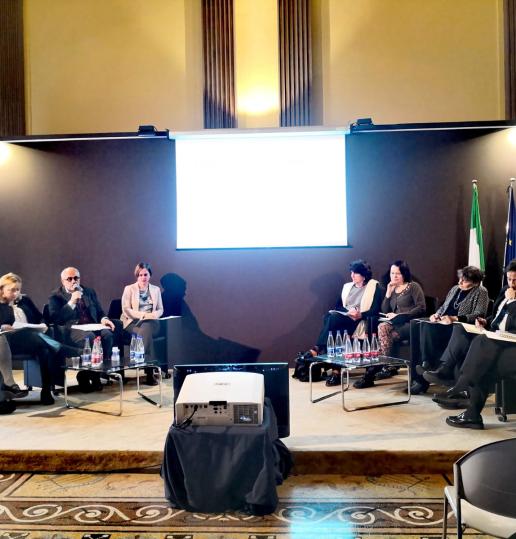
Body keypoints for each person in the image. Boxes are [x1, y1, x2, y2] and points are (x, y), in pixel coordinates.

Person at [436, 260, 516, 429]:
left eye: (515, 280)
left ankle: (461, 387)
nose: (512, 283)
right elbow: (497, 317)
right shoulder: (505, 290)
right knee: (481, 358)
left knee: (482, 345)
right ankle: (471, 414)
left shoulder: (511, 295)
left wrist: (513, 302)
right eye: (509, 279)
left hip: (512, 344)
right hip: (498, 340)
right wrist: (485, 322)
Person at [409, 266, 488, 394]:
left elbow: (479, 314)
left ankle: (432, 371)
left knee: (441, 328)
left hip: (460, 326)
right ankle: (426, 365)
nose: (460, 282)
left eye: (464, 280)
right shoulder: (455, 289)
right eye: (460, 278)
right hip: (444, 322)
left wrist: (455, 318)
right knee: (421, 324)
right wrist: (436, 315)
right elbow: (444, 306)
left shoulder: (481, 292)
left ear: (475, 283)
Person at [308, 259, 383, 387]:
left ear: (364, 275)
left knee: (331, 320)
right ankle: (335, 372)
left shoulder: (374, 287)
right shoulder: (347, 287)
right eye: (351, 272)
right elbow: (338, 306)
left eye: (355, 273)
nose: (352, 275)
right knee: (331, 320)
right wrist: (348, 311)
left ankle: (319, 350)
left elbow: (376, 309)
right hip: (346, 317)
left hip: (360, 320)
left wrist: (360, 314)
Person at [354, 260, 425, 389]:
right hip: (395, 323)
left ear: (404, 274)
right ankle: (381, 367)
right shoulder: (392, 288)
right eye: (392, 273)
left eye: (398, 273)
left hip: (409, 324)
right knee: (382, 327)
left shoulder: (413, 286)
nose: (394, 276)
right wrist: (388, 293)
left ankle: (372, 372)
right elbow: (385, 310)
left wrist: (401, 315)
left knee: (385, 334)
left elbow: (421, 307)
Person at [48, 267, 122, 392]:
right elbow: (56, 319)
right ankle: (92, 376)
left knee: (108, 335)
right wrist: (72, 301)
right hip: (71, 330)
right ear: (62, 281)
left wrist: (104, 319)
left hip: (92, 326)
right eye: (69, 279)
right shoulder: (55, 296)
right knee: (90, 338)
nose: (73, 281)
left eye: (76, 278)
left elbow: (99, 311)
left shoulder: (88, 292)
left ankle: (91, 374)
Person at [0, 272, 63, 404]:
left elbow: (39, 317)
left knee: (44, 350)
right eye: (12, 290)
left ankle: (46, 390)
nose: (16, 293)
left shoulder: (25, 300)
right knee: (38, 339)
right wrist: (2, 326)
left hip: (31, 340)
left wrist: (42, 324)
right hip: (9, 343)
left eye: (18, 289)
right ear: (1, 289)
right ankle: (60, 347)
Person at [121, 262, 164, 385]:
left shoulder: (156, 290)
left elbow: (161, 309)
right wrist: (142, 315)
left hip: (152, 322)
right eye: (140, 275)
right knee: (146, 332)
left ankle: (137, 358)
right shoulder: (129, 289)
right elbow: (126, 309)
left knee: (147, 327)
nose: (143, 277)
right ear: (137, 276)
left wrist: (154, 315)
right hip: (132, 322)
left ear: (150, 275)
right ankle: (150, 372)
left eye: (146, 274)